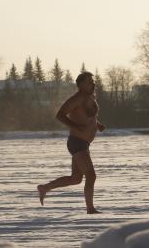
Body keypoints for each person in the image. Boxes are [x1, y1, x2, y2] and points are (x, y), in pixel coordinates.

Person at [37, 71, 105, 214]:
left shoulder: (89, 98)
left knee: (76, 178)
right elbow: (60, 115)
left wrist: (97, 125)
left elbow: (87, 117)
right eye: (89, 81)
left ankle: (45, 187)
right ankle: (90, 209)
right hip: (77, 142)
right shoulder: (77, 98)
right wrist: (75, 126)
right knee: (91, 175)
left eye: (93, 81)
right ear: (81, 84)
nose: (93, 83)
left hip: (83, 143)